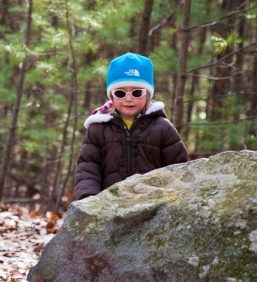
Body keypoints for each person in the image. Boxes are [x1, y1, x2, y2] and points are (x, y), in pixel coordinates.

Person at [74, 51, 188, 200]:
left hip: (152, 205)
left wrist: (174, 199)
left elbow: (178, 168)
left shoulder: (162, 128)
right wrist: (88, 198)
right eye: (121, 93)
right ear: (112, 96)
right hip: (108, 205)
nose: (128, 99)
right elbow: (88, 168)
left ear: (147, 94)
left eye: (136, 92)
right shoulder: (99, 128)